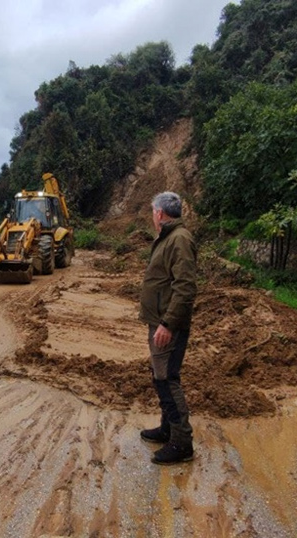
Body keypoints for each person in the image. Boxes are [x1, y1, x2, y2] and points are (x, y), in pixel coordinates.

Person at [138, 191, 198, 465]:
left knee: (167, 380)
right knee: (159, 377)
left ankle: (182, 443)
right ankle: (167, 429)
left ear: (160, 214)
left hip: (167, 325)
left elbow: (184, 288)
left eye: (153, 211)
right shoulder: (169, 237)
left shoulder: (179, 240)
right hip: (160, 321)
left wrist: (167, 324)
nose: (152, 216)